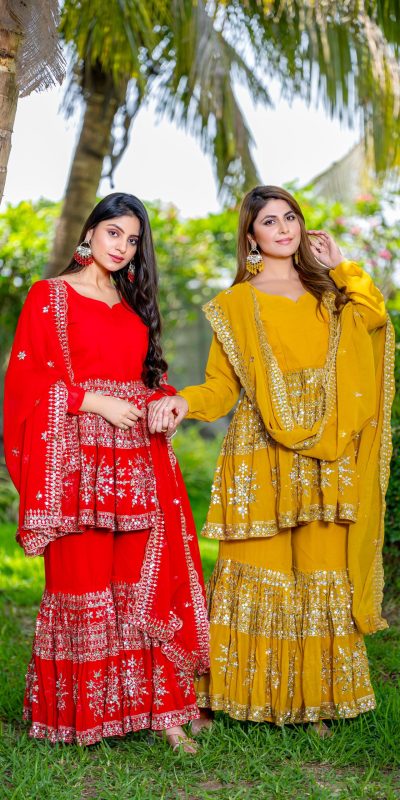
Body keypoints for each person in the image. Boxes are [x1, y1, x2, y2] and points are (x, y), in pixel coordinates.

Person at [148, 185, 394, 733]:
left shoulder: (331, 294)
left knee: (320, 570)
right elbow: (221, 387)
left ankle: (313, 702)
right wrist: (184, 401)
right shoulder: (236, 303)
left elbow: (375, 319)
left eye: (290, 218)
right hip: (260, 450)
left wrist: (342, 267)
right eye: (269, 221)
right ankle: (228, 695)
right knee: (256, 569)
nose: (283, 229)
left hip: (327, 451)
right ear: (251, 236)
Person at [4, 193, 209, 750]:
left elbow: (146, 377)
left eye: (133, 239)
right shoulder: (50, 296)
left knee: (141, 583)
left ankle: (163, 711)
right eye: (113, 232)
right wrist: (92, 401)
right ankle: (83, 716)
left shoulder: (134, 303)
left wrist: (163, 402)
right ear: (89, 233)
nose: (122, 246)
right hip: (76, 460)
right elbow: (26, 380)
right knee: (83, 578)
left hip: (137, 459)